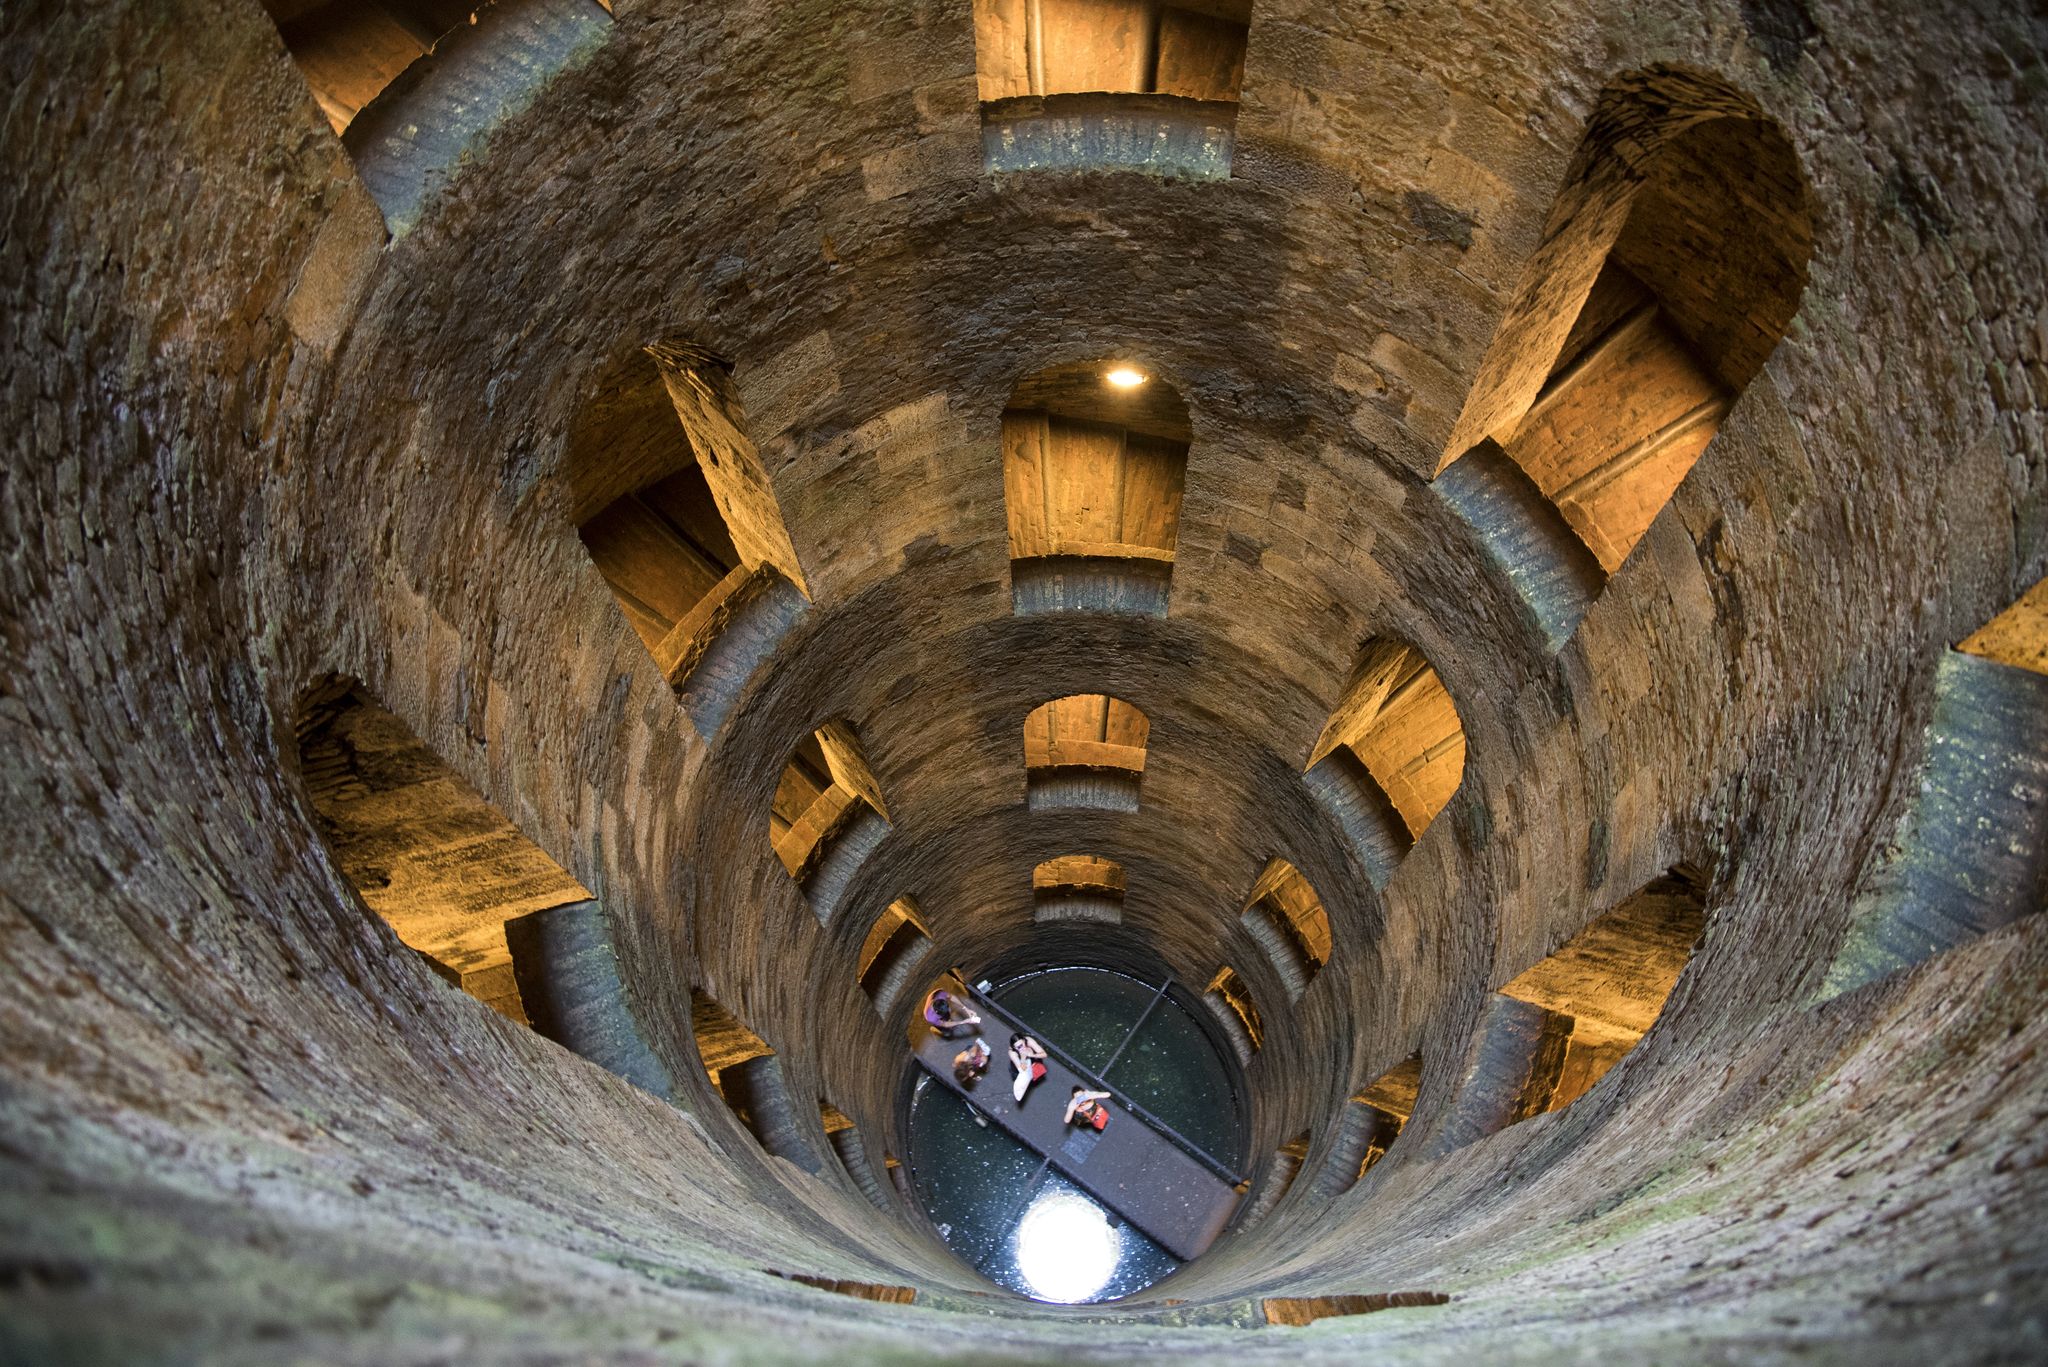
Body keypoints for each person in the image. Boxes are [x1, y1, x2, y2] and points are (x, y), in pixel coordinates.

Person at [1009, 1033, 1048, 1103]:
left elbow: (1044, 1054)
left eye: (1021, 1045)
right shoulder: (1012, 1053)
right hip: (1019, 1068)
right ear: (1014, 1047)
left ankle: (1034, 1080)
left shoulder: (1029, 1041)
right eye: (1017, 1047)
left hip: (1033, 1061)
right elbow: (1021, 1070)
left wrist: (1032, 1055)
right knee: (1023, 1079)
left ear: (1024, 1040)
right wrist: (1023, 1058)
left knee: (1036, 1075)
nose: (1021, 1048)